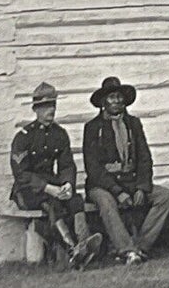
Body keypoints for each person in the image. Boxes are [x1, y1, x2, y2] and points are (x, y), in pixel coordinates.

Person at [82, 75, 169, 264]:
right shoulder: (92, 128)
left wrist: (141, 187)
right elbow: (93, 168)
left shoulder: (133, 124)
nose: (116, 101)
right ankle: (126, 250)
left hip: (131, 181)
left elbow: (145, 158)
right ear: (103, 102)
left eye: (119, 97)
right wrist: (118, 192)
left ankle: (140, 246)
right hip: (103, 186)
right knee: (107, 203)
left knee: (165, 196)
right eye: (111, 98)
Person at [10, 82, 101, 269]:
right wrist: (48, 188)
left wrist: (67, 184)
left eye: (53, 105)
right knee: (51, 205)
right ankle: (71, 248)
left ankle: (83, 241)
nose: (50, 110)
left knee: (75, 200)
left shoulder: (59, 134)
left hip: (52, 185)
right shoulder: (23, 137)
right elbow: (21, 174)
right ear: (36, 109)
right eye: (45, 106)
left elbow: (67, 165)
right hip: (27, 190)